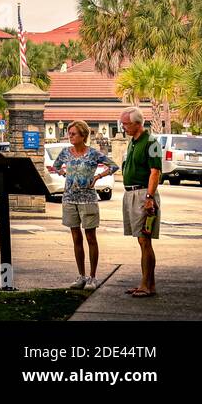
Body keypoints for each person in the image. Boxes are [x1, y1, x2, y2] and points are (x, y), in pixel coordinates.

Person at [49, 120, 118, 289]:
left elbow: (114, 166)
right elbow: (56, 166)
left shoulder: (93, 154)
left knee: (90, 237)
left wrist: (97, 177)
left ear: (83, 136)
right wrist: (64, 173)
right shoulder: (66, 152)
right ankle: (81, 276)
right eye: (69, 133)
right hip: (69, 199)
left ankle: (93, 277)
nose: (69, 136)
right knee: (75, 238)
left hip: (88, 199)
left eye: (73, 134)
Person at [118, 107, 162, 298]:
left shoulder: (151, 142)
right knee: (142, 240)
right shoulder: (133, 142)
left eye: (126, 124)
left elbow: (155, 172)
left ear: (138, 123)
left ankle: (146, 285)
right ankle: (148, 284)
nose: (123, 127)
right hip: (131, 194)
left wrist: (149, 198)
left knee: (145, 240)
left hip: (143, 195)